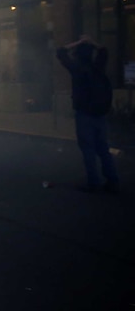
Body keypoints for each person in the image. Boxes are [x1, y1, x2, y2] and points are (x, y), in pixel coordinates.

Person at [56, 35, 120, 194]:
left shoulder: (77, 69)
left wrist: (78, 42)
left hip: (84, 114)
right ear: (91, 54)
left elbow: (60, 52)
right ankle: (112, 180)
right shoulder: (98, 67)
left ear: (77, 55)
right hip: (100, 114)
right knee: (103, 149)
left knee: (88, 150)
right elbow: (104, 51)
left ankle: (94, 182)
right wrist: (92, 43)